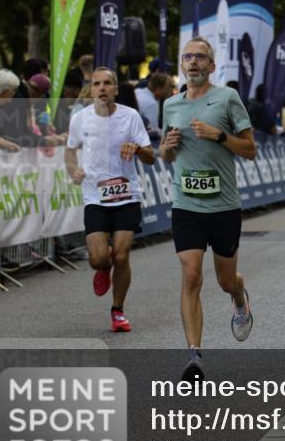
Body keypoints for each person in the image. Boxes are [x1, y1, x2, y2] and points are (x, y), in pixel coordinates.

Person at [160, 37, 257, 380]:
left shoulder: (228, 99)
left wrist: (219, 136)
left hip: (224, 206)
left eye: (201, 57)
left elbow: (249, 149)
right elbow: (167, 154)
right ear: (182, 65)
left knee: (225, 279)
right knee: (190, 275)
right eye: (188, 57)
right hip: (186, 204)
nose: (194, 62)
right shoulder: (171, 104)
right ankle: (194, 356)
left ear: (212, 66)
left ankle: (239, 296)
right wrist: (167, 148)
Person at [65, 67, 155, 331]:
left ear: (116, 88)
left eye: (107, 83)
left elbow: (150, 156)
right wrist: (73, 169)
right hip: (95, 196)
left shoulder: (131, 117)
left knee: (123, 256)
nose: (102, 88)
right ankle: (103, 268)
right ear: (91, 89)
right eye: (97, 84)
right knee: (98, 258)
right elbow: (70, 151)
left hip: (127, 195)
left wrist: (138, 149)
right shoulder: (80, 119)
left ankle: (117, 311)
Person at [135, 72, 173, 140]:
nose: (170, 90)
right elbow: (153, 133)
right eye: (169, 87)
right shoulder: (152, 104)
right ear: (159, 88)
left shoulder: (137, 91)